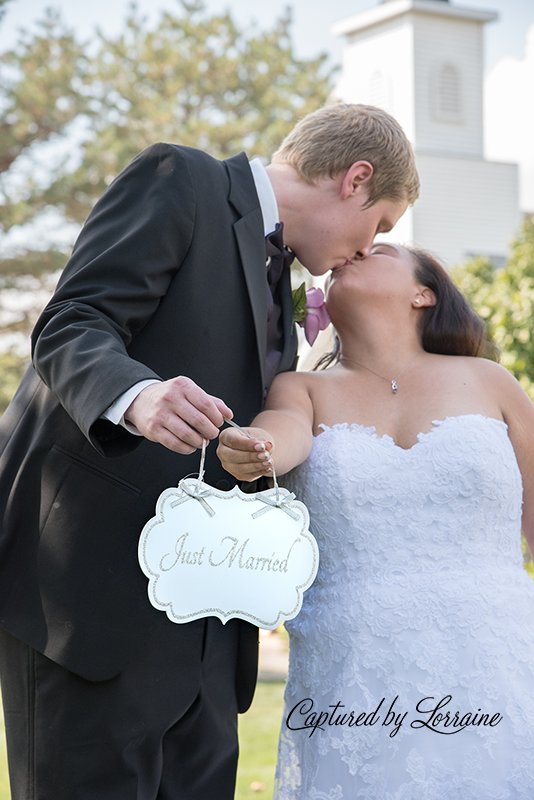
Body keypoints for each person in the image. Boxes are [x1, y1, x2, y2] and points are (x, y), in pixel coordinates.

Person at [0, 104, 418, 799]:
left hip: (208, 636)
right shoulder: (181, 178)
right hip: (89, 604)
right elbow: (73, 322)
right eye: (379, 226)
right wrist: (137, 396)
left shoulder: (280, 281)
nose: (368, 249)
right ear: (356, 178)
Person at [217, 243, 534, 799]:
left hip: (499, 657)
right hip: (353, 671)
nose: (354, 252)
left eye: (380, 249)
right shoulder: (301, 388)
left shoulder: (491, 381)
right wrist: (255, 446)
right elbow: (281, 434)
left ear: (424, 293)